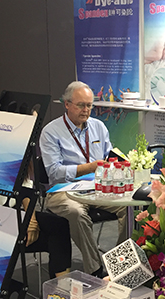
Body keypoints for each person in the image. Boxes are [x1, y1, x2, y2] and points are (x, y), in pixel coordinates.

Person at [39, 81, 126, 277]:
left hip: (97, 187)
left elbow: (109, 156)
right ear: (67, 104)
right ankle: (95, 270)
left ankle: (120, 265)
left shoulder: (99, 126)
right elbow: (53, 172)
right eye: (81, 105)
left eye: (89, 105)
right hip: (63, 191)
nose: (86, 110)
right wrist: (89, 167)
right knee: (77, 213)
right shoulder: (51, 132)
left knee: (129, 208)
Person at [0, 149, 72, 279]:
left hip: (9, 214)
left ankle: (61, 285)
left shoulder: (17, 151)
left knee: (59, 225)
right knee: (53, 237)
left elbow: (26, 191)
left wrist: (31, 221)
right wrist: (28, 223)